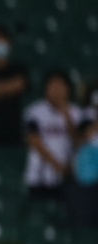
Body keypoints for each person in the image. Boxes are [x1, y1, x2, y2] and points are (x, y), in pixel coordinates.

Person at [24, 71, 91, 201]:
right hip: (40, 178)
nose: (57, 90)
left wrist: (67, 116)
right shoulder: (34, 111)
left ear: (68, 89)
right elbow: (33, 140)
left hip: (70, 178)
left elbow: (81, 142)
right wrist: (58, 166)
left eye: (61, 86)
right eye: (53, 86)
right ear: (45, 88)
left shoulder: (77, 113)